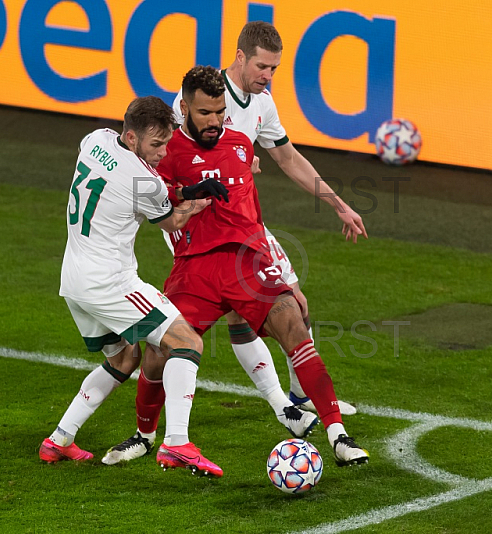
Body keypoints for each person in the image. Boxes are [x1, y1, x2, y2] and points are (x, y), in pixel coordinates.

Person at [112, 66, 369, 469]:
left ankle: (337, 435)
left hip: (249, 262)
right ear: (183, 109)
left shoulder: (239, 145)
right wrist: (187, 193)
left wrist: (281, 270)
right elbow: (151, 201)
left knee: (294, 323)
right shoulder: (164, 153)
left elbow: (259, 204)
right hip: (194, 267)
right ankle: (145, 437)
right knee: (158, 351)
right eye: (204, 113)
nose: (214, 121)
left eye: (219, 112)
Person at [171, 21, 366, 416]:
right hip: (198, 224)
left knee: (297, 304)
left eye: (275, 69)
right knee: (241, 313)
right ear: (240, 56)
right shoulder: (202, 96)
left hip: (242, 222)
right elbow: (171, 156)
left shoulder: (262, 103)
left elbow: (288, 158)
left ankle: (298, 396)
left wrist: (338, 204)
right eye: (262, 67)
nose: (268, 76)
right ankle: (281, 403)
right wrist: (224, 163)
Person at [38, 96, 229, 477]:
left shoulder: (95, 140)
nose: (163, 152)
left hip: (73, 279)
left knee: (124, 360)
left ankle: (58, 439)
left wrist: (185, 193)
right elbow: (170, 221)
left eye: (166, 143)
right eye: (156, 144)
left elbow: (133, 187)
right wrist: (196, 202)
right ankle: (177, 443)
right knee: (187, 342)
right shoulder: (148, 181)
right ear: (130, 136)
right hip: (110, 282)